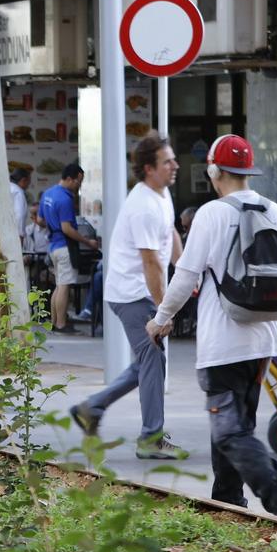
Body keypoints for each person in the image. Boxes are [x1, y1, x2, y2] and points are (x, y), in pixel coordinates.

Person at [147, 135, 277, 515]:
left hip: (223, 342)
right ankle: (227, 502)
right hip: (264, 340)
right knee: (235, 424)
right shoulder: (275, 211)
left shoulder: (212, 214)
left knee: (228, 430)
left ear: (214, 171)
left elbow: (185, 276)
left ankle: (274, 485)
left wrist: (161, 319)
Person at [71, 133, 188, 460]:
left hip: (137, 291)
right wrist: (164, 312)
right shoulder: (143, 207)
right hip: (133, 294)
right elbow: (151, 262)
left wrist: (188, 269)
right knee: (152, 360)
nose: (175, 165)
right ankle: (151, 438)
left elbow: (171, 233)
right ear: (149, 169)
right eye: (168, 162)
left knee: (146, 363)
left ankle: (91, 407)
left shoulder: (160, 194)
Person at [37, 163, 98, 333]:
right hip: (64, 247)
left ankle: (55, 322)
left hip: (52, 246)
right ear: (70, 179)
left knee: (59, 284)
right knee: (64, 285)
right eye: (79, 182)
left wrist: (52, 223)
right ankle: (61, 324)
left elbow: (40, 221)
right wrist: (88, 242)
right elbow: (67, 228)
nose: (79, 186)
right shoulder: (65, 199)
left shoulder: (48, 194)